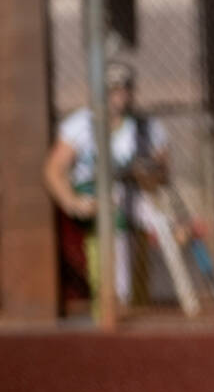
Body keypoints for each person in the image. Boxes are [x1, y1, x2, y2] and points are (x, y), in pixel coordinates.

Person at [43, 60, 199, 317]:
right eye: (113, 89)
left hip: (133, 192)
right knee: (116, 213)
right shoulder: (81, 124)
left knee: (164, 220)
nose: (120, 95)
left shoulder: (144, 127)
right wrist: (71, 201)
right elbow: (53, 169)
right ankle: (119, 300)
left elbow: (161, 173)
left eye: (124, 88)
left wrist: (149, 171)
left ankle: (189, 300)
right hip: (93, 194)